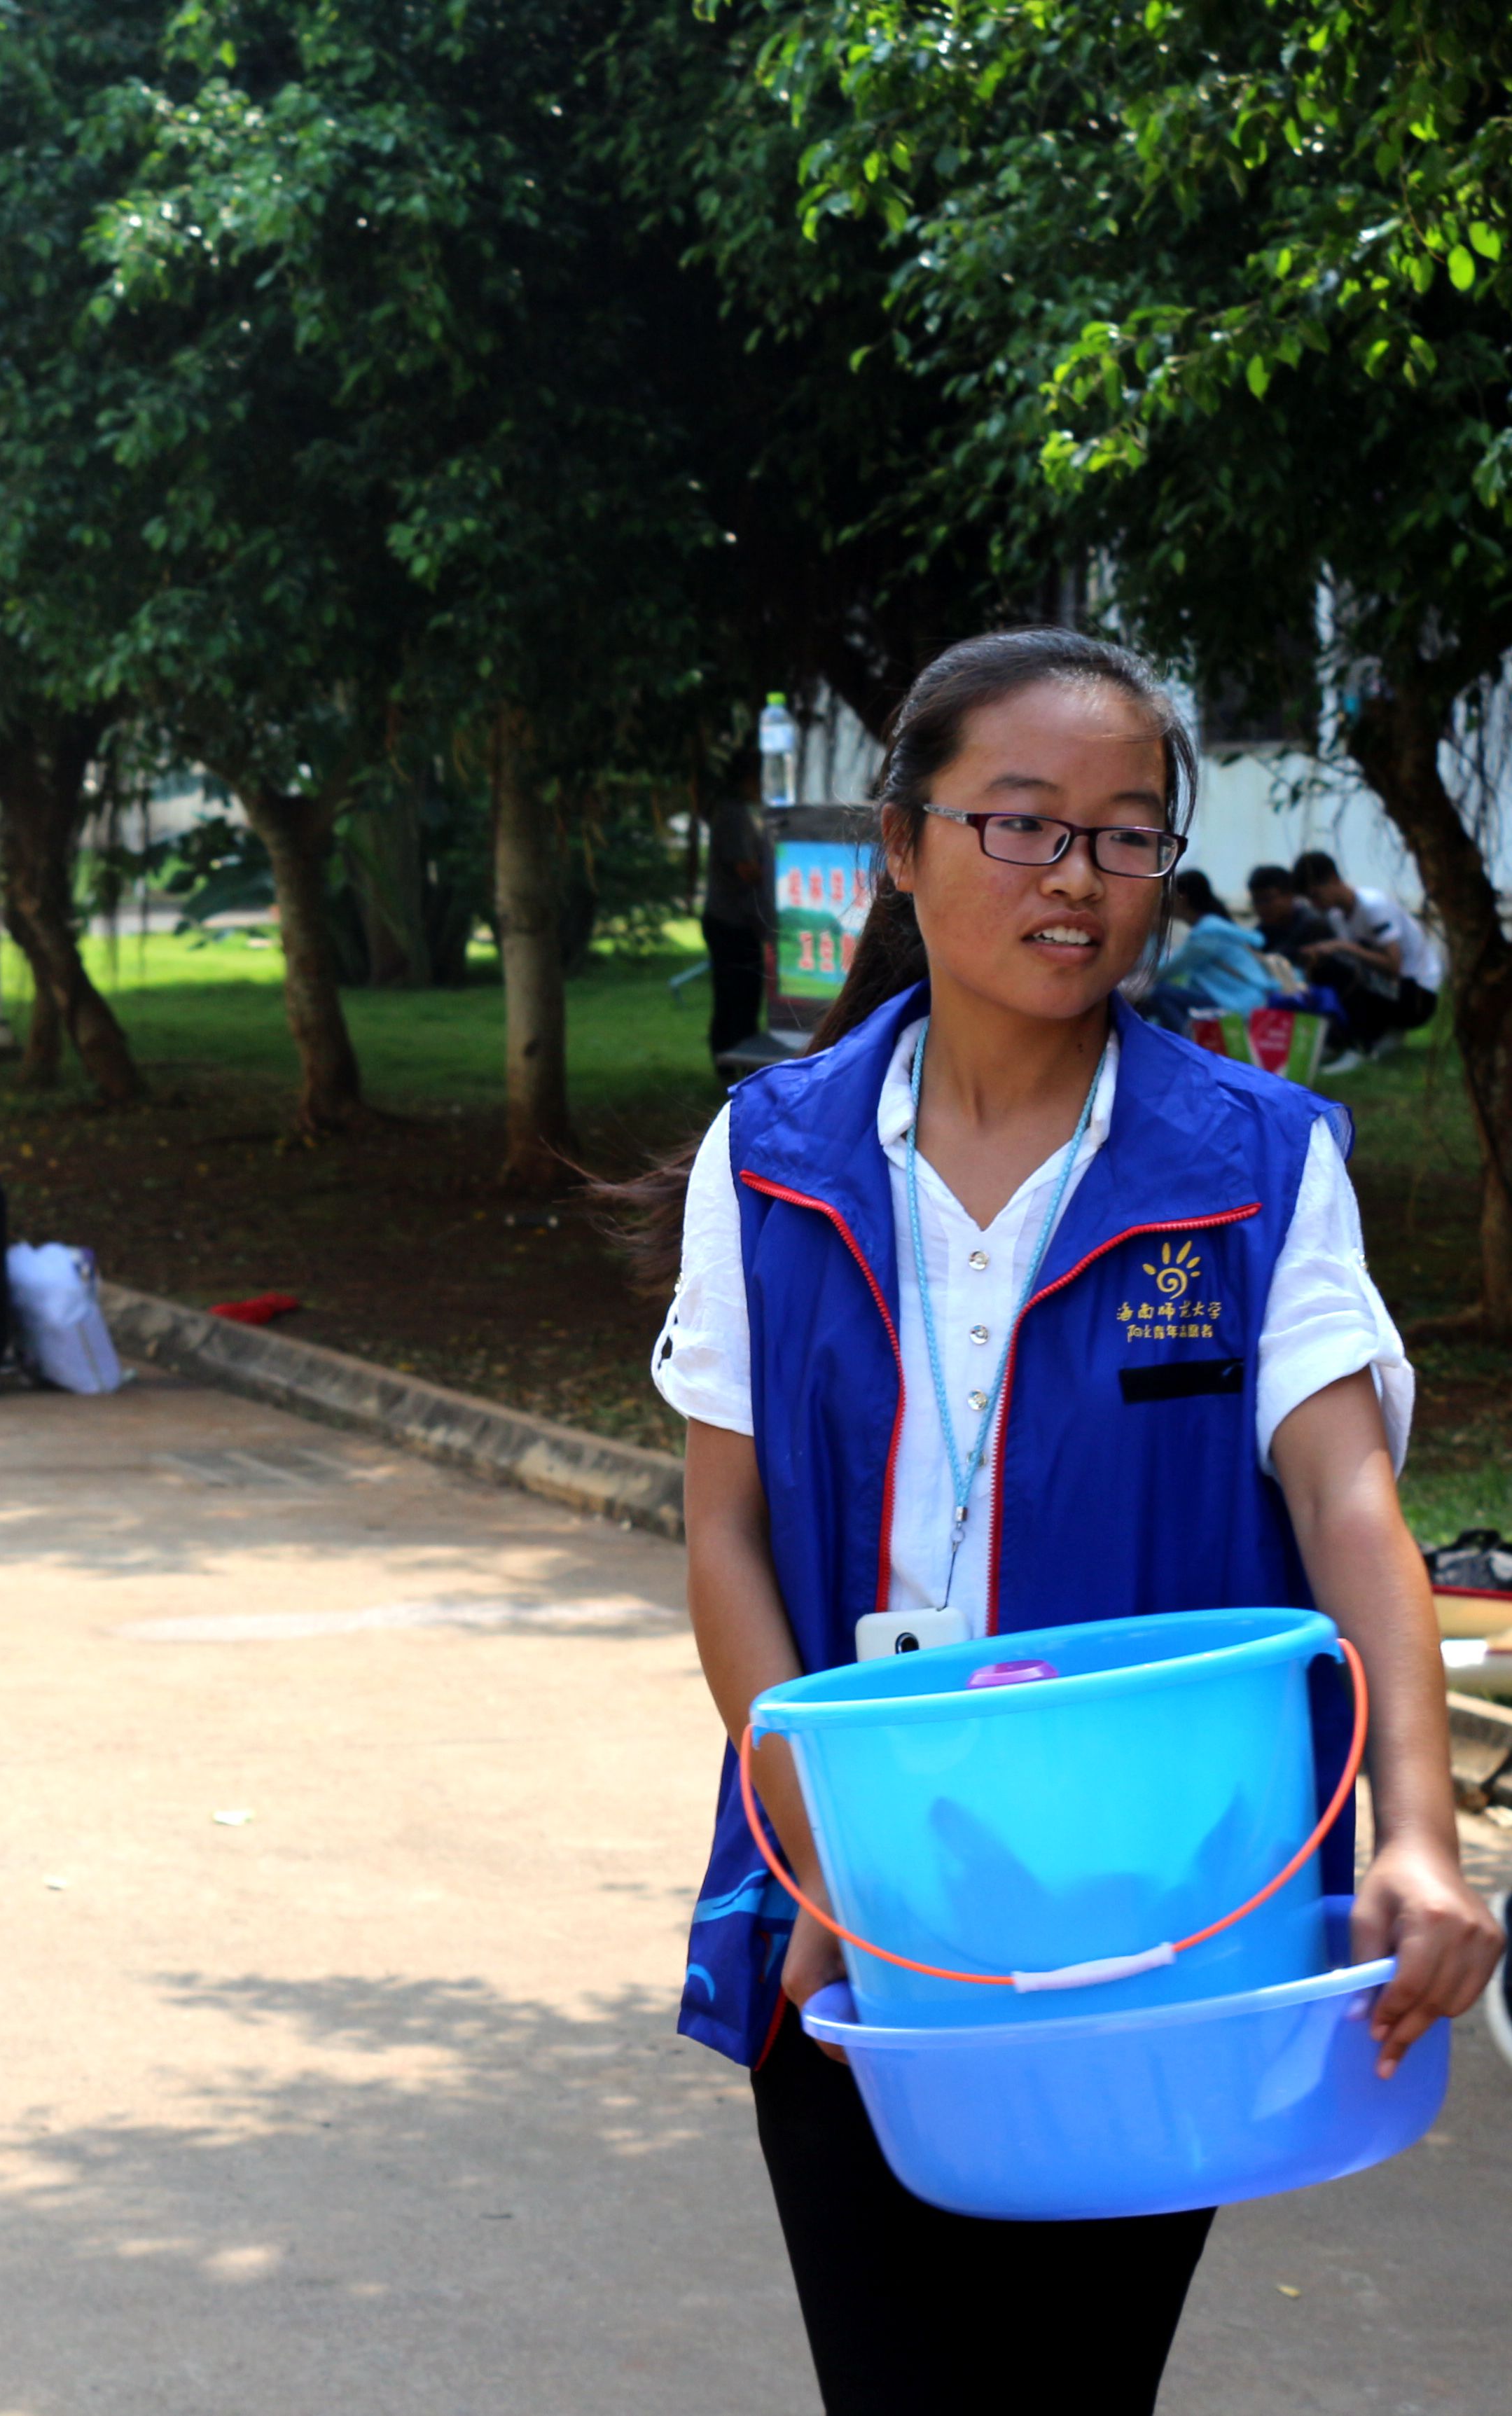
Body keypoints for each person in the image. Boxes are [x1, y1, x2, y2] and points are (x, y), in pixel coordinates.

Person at [621, 630, 1497, 2415]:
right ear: (901, 841)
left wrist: (1417, 1833)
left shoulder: (1251, 1162)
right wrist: (833, 1867)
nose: (1076, 876)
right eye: (1019, 822)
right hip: (851, 1900)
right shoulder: (769, 1157)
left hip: (1149, 1913)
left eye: (1124, 833)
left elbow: (1348, 1503)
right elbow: (724, 1536)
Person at [1290, 848, 1442, 1068]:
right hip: (1390, 987)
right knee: (1324, 970)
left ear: (1333, 880)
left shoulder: (1373, 906)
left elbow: (1393, 966)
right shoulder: (1337, 916)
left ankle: (1362, 1044)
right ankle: (1341, 1039)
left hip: (1418, 994)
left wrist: (1342, 947)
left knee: (1338, 973)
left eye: (1315, 895)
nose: (1314, 904)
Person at [1137, 867, 1282, 1029]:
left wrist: (1153, 933)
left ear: (1183, 898)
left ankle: (1185, 1042)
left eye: (1169, 898)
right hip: (1241, 998)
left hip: (1238, 1003)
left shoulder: (1208, 933)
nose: (1165, 904)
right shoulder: (1214, 926)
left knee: (1160, 994)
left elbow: (1166, 970)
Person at [702, 791, 775, 1064]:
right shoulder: (734, 814)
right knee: (739, 994)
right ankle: (734, 1059)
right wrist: (775, 871)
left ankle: (732, 1058)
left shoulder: (734, 812)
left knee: (735, 994)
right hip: (731, 922)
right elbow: (745, 868)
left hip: (733, 921)